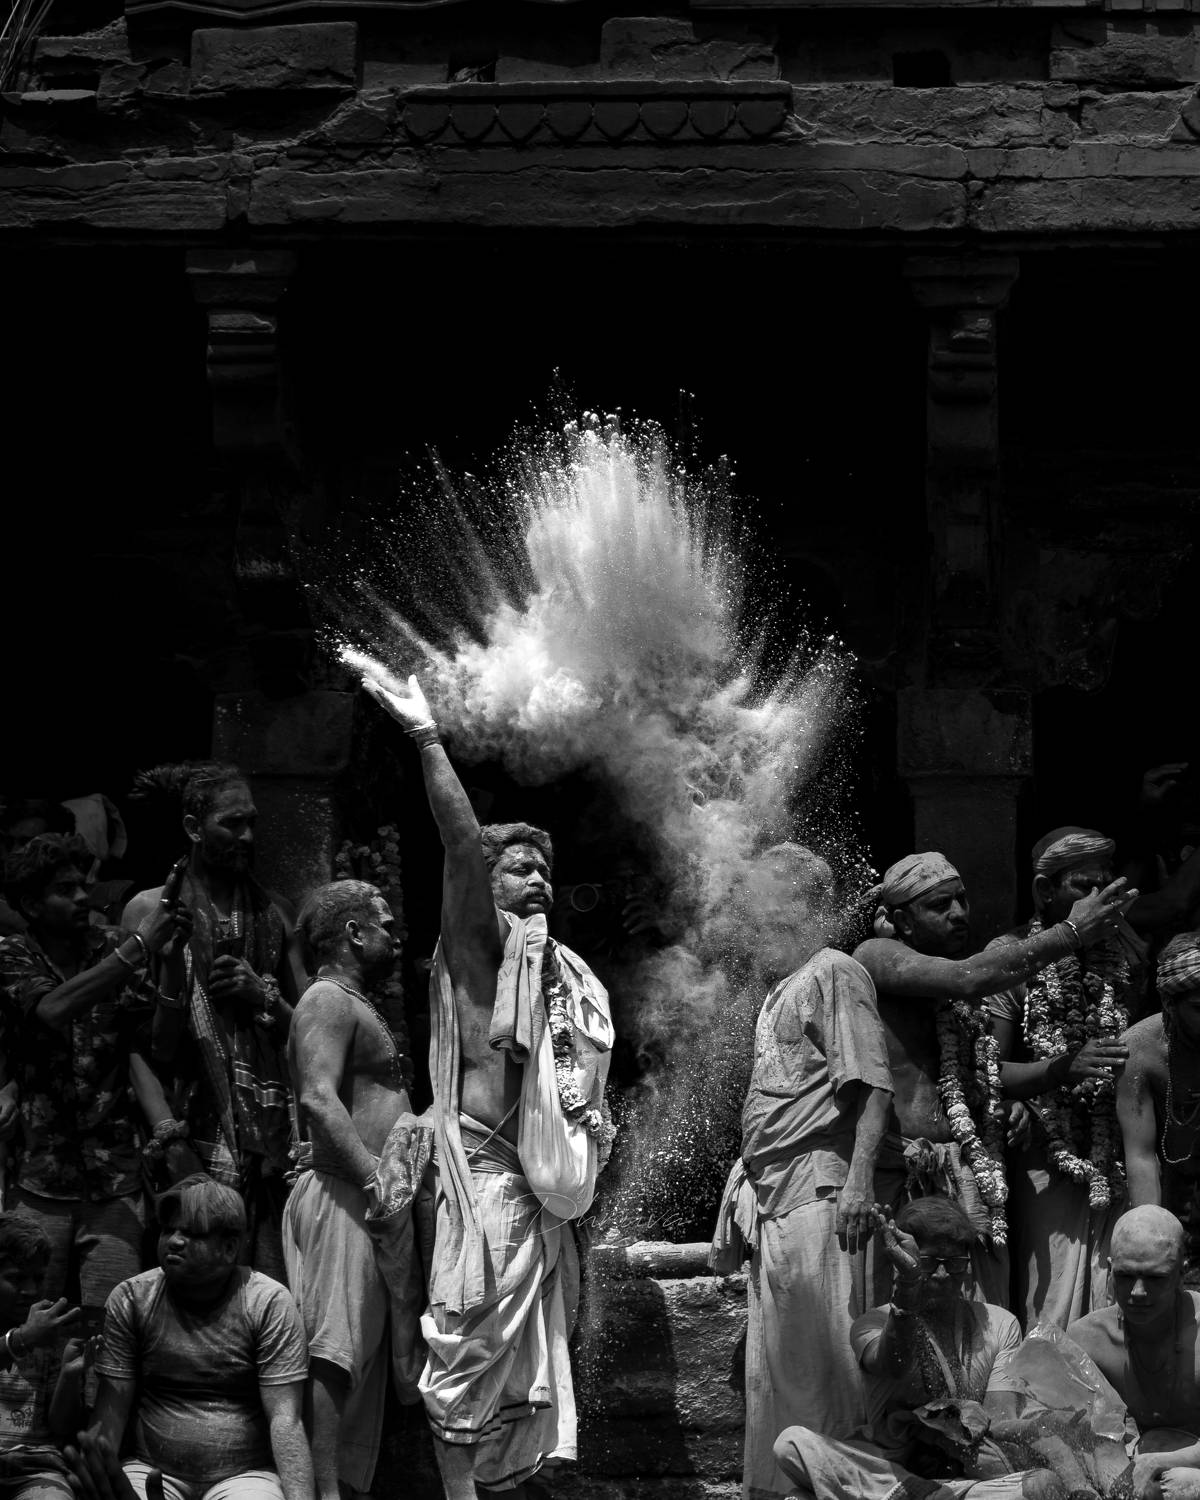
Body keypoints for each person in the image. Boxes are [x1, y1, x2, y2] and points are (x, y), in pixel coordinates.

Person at [356, 663, 615, 1499]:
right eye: (519, 869)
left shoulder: (558, 968)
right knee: (464, 1358)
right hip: (486, 1180)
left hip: (540, 1193)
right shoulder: (481, 951)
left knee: (519, 1379)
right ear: (487, 889)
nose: (538, 880)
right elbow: (462, 845)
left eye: (545, 870)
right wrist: (427, 737)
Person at [852, 851, 1136, 1307]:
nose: (959, 913)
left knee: (979, 1315)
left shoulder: (961, 974)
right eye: (940, 905)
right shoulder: (877, 955)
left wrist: (1062, 1068)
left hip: (966, 1170)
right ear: (902, 920)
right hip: (902, 1172)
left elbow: (986, 1071)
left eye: (962, 900)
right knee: (903, 1309)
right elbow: (967, 979)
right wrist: (1071, 932)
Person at [709, 845, 893, 1494]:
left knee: (830, 1373)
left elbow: (874, 1086)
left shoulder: (834, 971)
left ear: (808, 904)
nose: (753, 915)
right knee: (782, 1375)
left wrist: (859, 1183)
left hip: (823, 1195)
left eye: (767, 900)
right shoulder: (780, 988)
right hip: (777, 1202)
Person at [122, 763, 305, 1276]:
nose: (247, 836)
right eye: (231, 823)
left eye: (252, 822)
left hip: (267, 1138)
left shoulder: (276, 913)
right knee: (189, 1276)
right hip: (185, 1124)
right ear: (193, 828)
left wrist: (262, 995)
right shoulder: (148, 911)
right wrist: (168, 1135)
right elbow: (131, 1038)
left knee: (265, 1283)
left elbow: (312, 1028)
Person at [0, 835, 190, 1307]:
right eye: (66, 890)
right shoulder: (14, 955)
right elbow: (50, 1009)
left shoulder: (111, 945)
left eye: (83, 885)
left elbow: (155, 1043)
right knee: (29, 1312)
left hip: (115, 1175)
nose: (83, 897)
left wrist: (170, 963)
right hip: (39, 1175)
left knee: (111, 1319)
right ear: (31, 904)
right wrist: (139, 946)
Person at [284, 879, 428, 1500]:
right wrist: (374, 1178)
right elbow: (318, 1098)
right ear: (353, 932)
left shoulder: (349, 1001)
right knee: (335, 1353)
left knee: (361, 1357)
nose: (396, 935)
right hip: (346, 1193)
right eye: (385, 925)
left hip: (366, 1199)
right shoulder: (326, 999)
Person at [772, 1196, 1034, 1500]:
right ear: (900, 1260)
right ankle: (913, 1492)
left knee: (1038, 1484)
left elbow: (999, 1421)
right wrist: (909, 1285)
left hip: (965, 1476)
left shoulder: (1000, 1323)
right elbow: (892, 1364)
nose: (942, 1275)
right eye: (929, 1263)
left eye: (955, 1264)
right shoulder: (872, 1323)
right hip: (889, 1469)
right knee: (791, 1444)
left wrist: (947, 1437)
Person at [985, 827, 1141, 1328]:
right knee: (1050, 1308)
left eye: (1105, 884)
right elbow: (986, 1071)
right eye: (1083, 886)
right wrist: (1061, 1068)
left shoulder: (1126, 954)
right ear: (1043, 891)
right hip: (1046, 1156)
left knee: (1116, 1295)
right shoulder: (1011, 955)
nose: (1099, 898)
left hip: (1117, 1156)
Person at [91, 1174, 313, 1500]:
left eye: (192, 1233)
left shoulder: (267, 1303)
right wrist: (102, 1484)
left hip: (244, 1476)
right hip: (150, 1469)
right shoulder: (132, 1298)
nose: (174, 1241)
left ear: (229, 1248)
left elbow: (286, 1420)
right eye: (168, 1230)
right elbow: (111, 1413)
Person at [1067, 1205, 1200, 1498]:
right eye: (1125, 1276)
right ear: (1109, 1268)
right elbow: (1066, 1428)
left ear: (1181, 1273)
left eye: (1155, 1278)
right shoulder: (1089, 1338)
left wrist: (1158, 1461)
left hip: (1187, 1469)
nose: (1138, 1292)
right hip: (1136, 1457)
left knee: (1180, 1484)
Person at [1117, 933, 1200, 1223]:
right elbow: (1140, 1156)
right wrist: (1151, 1228)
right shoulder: (1138, 1051)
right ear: (1169, 1004)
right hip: (1168, 1183)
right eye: (1199, 1008)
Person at [0, 1212, 81, 1500]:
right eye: (16, 1278)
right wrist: (22, 1339)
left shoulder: (49, 1336)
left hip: (35, 1468)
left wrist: (69, 1376)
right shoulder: (34, 1335)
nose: (31, 1290)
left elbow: (60, 1426)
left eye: (38, 1278)